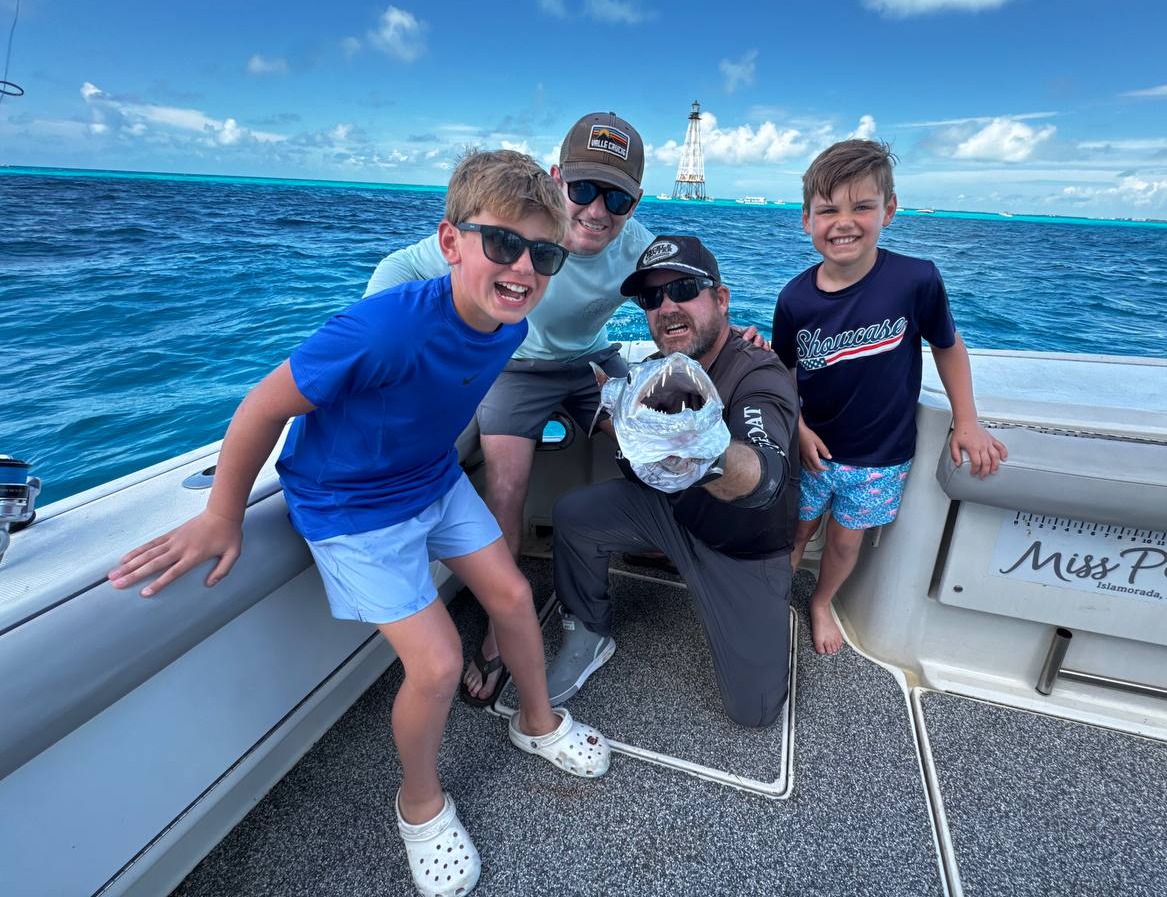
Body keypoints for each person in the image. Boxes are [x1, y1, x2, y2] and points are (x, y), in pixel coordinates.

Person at [107, 150, 611, 897]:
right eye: (504, 244)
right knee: (438, 664)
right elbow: (260, 407)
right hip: (350, 506)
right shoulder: (382, 329)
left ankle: (535, 721)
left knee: (510, 591)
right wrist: (221, 515)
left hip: (431, 479)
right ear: (450, 243)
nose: (524, 268)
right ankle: (419, 803)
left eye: (545, 254)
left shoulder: (511, 324)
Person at [367, 112, 655, 705]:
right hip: (517, 367)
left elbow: (694, 289)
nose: (596, 211)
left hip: (593, 361)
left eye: (617, 198)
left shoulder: (637, 247)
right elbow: (403, 266)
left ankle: (655, 556)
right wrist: (379, 347)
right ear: (556, 179)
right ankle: (502, 629)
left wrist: (737, 337)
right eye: (582, 190)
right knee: (506, 485)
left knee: (657, 443)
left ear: (635, 203)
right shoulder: (520, 227)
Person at [546, 235, 799, 728]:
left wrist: (709, 452)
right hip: (670, 512)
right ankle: (588, 631)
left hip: (740, 545)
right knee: (573, 514)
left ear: (720, 299)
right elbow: (611, 416)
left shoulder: (759, 375)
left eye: (683, 288)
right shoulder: (653, 373)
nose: (666, 307)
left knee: (755, 712)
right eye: (651, 297)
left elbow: (763, 471)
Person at [770, 139, 1007, 655]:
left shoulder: (914, 280)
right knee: (796, 531)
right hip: (813, 450)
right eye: (828, 209)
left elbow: (947, 346)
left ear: (889, 211)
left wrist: (966, 421)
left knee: (845, 541)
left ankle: (821, 600)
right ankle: (772, 596)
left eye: (862, 206)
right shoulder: (793, 298)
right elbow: (785, 369)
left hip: (881, 457)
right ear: (807, 219)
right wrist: (798, 427)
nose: (844, 222)